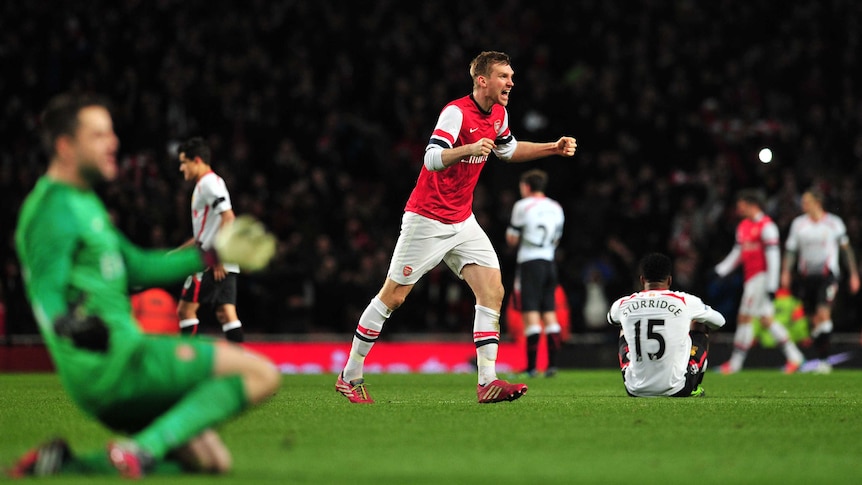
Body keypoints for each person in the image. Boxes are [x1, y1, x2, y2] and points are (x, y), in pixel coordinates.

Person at [10, 93, 278, 478]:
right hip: (116, 363)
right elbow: (46, 292)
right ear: (65, 147)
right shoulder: (49, 209)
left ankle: (70, 465)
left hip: (114, 363)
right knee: (261, 374)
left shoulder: (83, 203)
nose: (113, 142)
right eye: (99, 134)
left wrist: (211, 252)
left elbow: (136, 267)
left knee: (211, 461)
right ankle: (141, 451)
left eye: (111, 133)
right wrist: (66, 324)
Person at [335, 50, 577, 404]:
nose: (511, 82)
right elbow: (431, 158)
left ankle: (487, 381)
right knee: (393, 297)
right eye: (504, 76)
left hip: (462, 220)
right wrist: (466, 149)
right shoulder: (455, 113)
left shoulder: (499, 114)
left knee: (492, 291)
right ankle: (349, 375)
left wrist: (551, 148)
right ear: (483, 80)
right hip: (427, 218)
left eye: (511, 76)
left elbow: (507, 152)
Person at [607, 253, 726, 397]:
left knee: (624, 327)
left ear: (642, 280)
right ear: (669, 280)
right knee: (700, 322)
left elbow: (611, 319)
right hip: (677, 388)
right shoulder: (685, 301)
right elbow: (720, 321)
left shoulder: (623, 304)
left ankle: (638, 377)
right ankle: (694, 387)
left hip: (634, 389)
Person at [714, 189, 805, 374]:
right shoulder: (743, 226)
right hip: (750, 278)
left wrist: (772, 285)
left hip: (761, 278)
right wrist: (721, 269)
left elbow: (774, 258)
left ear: (752, 205)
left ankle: (735, 364)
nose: (739, 210)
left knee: (744, 318)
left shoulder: (767, 226)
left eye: (741, 206)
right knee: (766, 320)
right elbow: (738, 253)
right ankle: (795, 358)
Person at [780, 188, 860, 373]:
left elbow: (846, 249)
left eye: (806, 201)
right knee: (813, 321)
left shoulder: (834, 223)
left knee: (824, 314)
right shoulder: (799, 224)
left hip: (828, 276)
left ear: (817, 203)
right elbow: (791, 250)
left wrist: (854, 274)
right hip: (806, 278)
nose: (803, 205)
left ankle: (824, 362)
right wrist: (786, 271)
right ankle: (821, 354)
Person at [174, 137, 244, 343]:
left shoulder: (207, 184)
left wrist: (218, 256)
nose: (181, 168)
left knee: (185, 311)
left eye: (183, 162)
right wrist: (177, 252)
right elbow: (204, 233)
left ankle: (188, 365)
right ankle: (238, 369)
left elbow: (228, 217)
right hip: (221, 256)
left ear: (196, 160)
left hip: (210, 259)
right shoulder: (209, 184)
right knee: (226, 314)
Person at [505, 169, 565, 377]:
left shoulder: (523, 206)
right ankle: (552, 366)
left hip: (530, 263)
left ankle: (531, 368)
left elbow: (511, 239)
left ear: (527, 186)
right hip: (549, 262)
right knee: (549, 314)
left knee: (530, 315)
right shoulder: (556, 207)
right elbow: (557, 239)